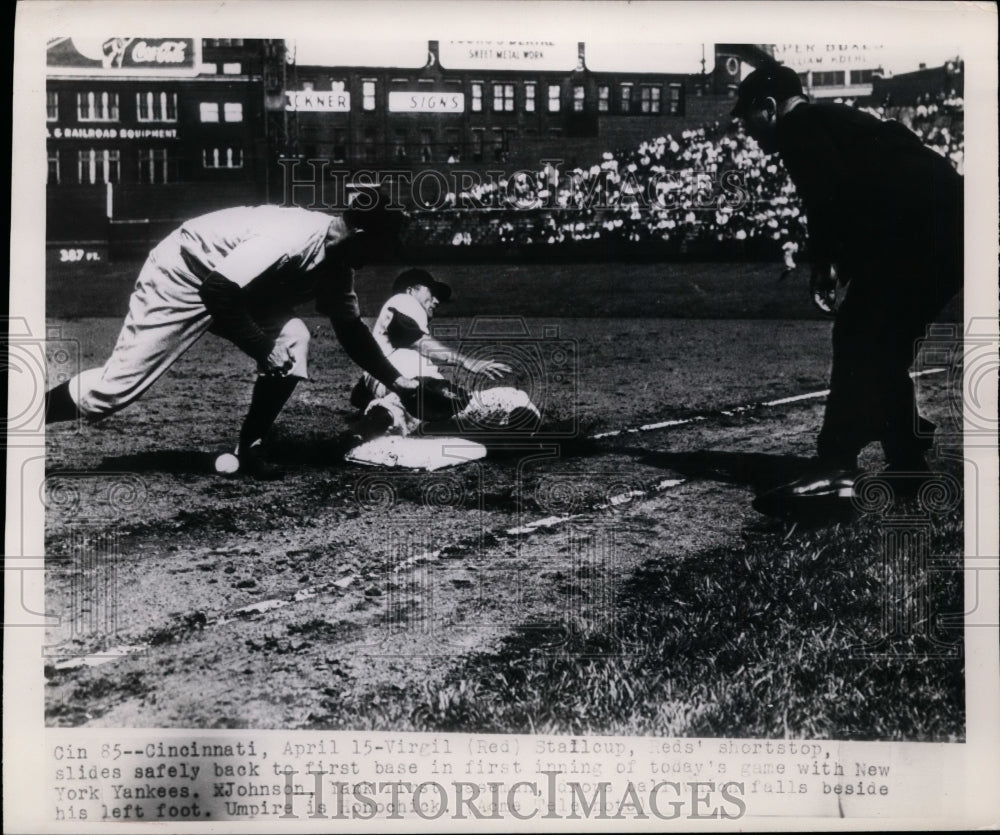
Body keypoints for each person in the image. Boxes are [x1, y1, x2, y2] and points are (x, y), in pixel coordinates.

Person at [44, 200, 419, 479]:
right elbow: (217, 290)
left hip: (234, 286)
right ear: (361, 235)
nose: (374, 262)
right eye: (378, 251)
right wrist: (259, 346)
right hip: (184, 274)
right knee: (111, 392)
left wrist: (398, 383)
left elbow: (350, 329)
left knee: (293, 338)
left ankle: (251, 447)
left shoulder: (338, 261)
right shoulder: (291, 238)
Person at [731, 63, 963, 513]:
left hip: (924, 230)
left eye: (747, 117)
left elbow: (829, 195)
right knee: (879, 345)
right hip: (947, 228)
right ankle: (908, 461)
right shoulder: (834, 120)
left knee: (859, 334)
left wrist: (826, 265)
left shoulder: (799, 126)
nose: (746, 128)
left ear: (769, 107)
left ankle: (836, 462)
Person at [347, 268, 540, 442]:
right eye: (431, 292)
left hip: (396, 386)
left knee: (406, 410)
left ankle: (376, 422)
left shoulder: (381, 349)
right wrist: (465, 361)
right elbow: (415, 339)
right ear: (410, 290)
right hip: (414, 381)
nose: (436, 301)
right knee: (508, 399)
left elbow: (360, 393)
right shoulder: (403, 299)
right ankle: (504, 428)